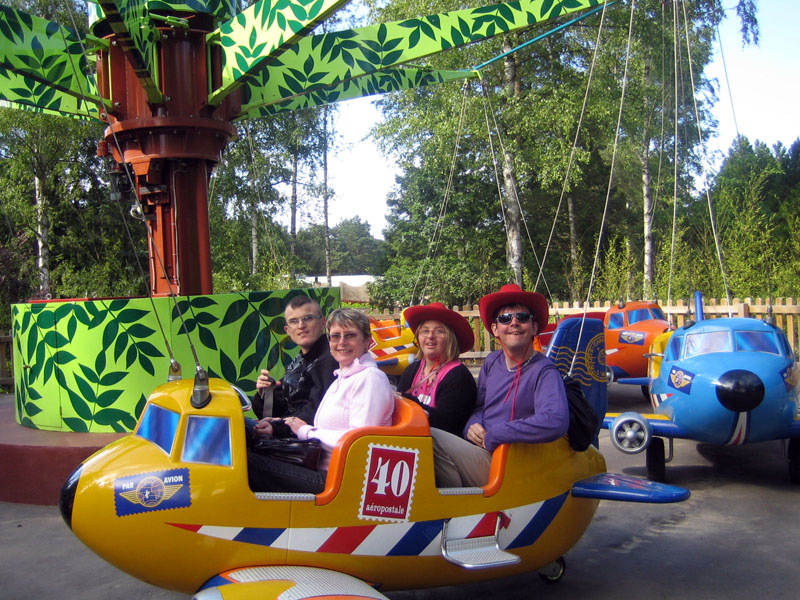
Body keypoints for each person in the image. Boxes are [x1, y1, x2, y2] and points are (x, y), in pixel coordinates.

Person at [430, 284, 569, 488]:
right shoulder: (492, 362)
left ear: (534, 327)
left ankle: (453, 505)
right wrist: (472, 426)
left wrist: (497, 434)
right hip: (484, 454)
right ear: (495, 329)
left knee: (431, 437)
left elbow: (555, 420)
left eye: (522, 317)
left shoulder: (544, 371)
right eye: (505, 318)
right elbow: (480, 407)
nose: (514, 323)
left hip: (513, 464)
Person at [248, 308, 394, 493]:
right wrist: (282, 423)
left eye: (350, 335)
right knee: (245, 440)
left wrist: (305, 431)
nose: (341, 342)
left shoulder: (370, 379)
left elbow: (359, 444)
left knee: (244, 463)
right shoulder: (343, 377)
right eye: (335, 336)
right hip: (319, 466)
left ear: (367, 341)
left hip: (341, 482)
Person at [251, 296, 338, 435]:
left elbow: (318, 411)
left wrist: (277, 428)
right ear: (287, 330)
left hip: (309, 440)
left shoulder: (330, 359)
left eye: (308, 318)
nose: (301, 326)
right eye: (294, 321)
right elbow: (280, 408)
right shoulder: (299, 361)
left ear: (323, 323)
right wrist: (265, 393)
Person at [396, 302, 477, 436]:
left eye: (439, 331)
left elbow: (446, 424)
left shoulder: (458, 376)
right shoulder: (412, 370)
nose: (430, 336)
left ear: (450, 339)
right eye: (425, 331)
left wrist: (405, 399)